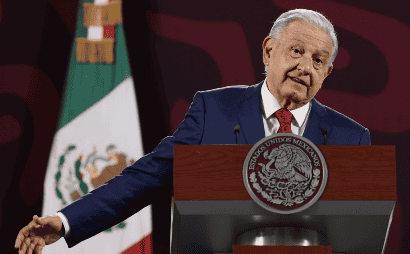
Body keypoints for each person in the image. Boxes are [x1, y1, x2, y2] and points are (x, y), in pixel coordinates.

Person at [15, 8, 370, 254]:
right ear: (268, 50)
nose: (305, 67)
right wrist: (65, 222)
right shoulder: (212, 110)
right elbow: (146, 178)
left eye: (318, 60)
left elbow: (359, 230)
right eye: (297, 51)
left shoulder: (351, 137)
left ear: (328, 72)